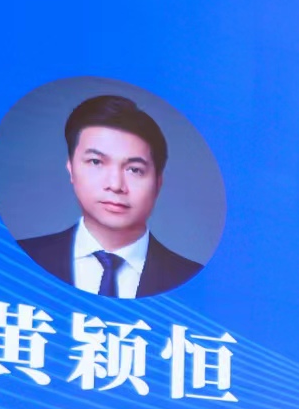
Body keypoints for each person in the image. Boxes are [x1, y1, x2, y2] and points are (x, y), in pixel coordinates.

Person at [17, 95, 203, 298]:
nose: (115, 185)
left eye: (134, 170)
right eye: (96, 162)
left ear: (158, 182)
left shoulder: (196, 281)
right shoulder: (19, 257)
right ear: (71, 168)